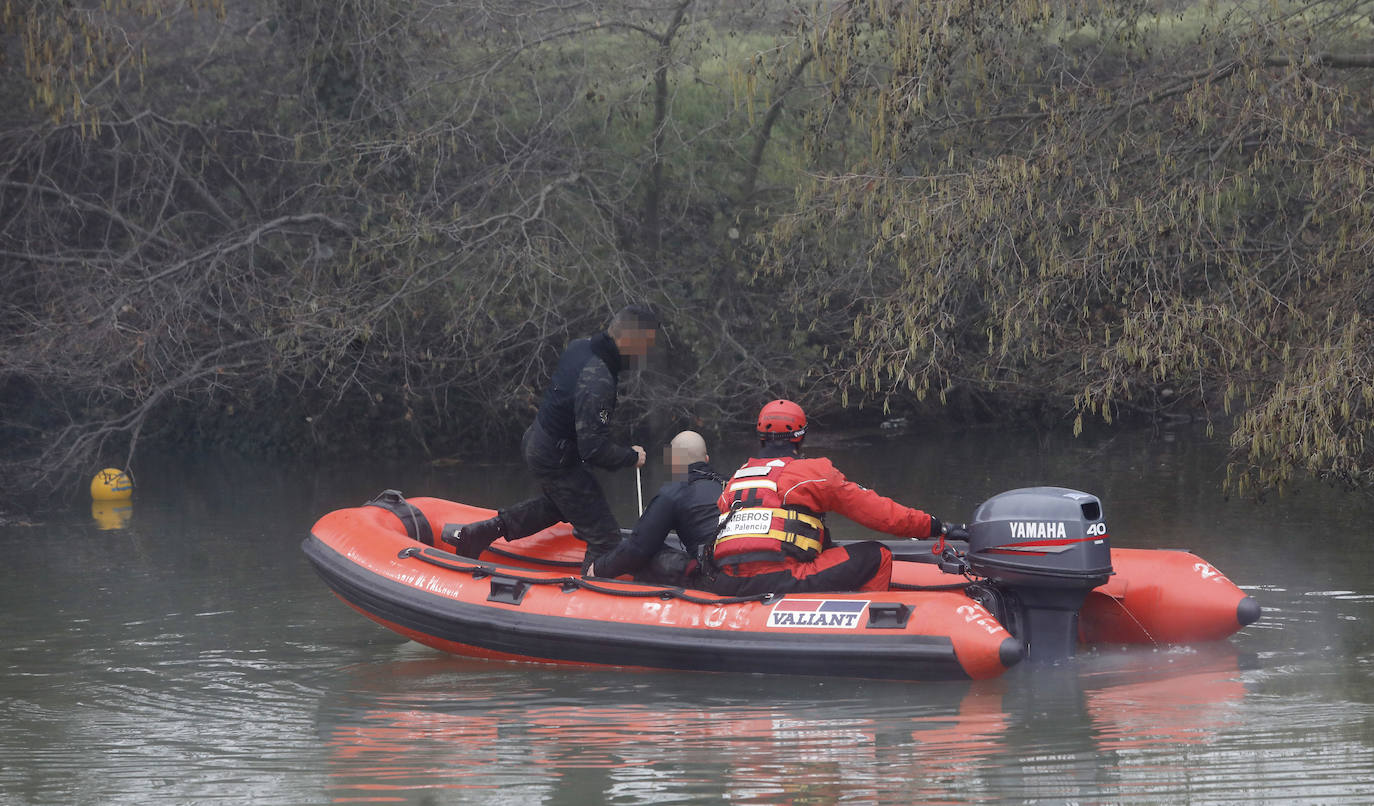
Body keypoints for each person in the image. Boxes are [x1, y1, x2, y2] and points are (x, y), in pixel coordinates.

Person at [445, 305, 658, 572]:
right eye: (645, 344)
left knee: (564, 504)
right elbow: (593, 449)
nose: (646, 353)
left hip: (537, 441)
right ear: (628, 339)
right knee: (605, 539)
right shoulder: (599, 379)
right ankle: (588, 599)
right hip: (557, 458)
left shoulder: (581, 346)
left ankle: (479, 534)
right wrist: (631, 456)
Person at [704, 399, 952, 595]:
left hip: (730, 583)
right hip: (784, 580)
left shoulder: (735, 480)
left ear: (761, 437)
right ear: (800, 437)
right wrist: (934, 526)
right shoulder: (814, 472)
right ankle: (863, 627)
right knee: (878, 554)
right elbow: (881, 515)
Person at [589, 430, 724, 584]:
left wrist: (599, 568)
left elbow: (638, 549)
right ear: (706, 459)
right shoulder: (729, 484)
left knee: (649, 554)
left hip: (712, 579)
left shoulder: (674, 493)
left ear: (674, 461)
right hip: (743, 572)